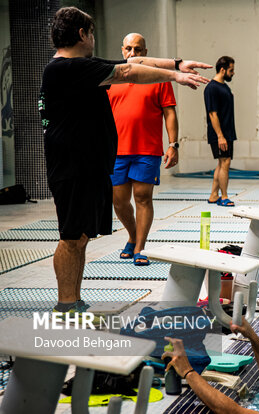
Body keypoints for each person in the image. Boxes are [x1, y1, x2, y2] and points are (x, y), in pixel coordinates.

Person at [39, 6, 210, 314]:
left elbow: (134, 62)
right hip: (72, 169)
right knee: (71, 237)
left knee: (79, 237)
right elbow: (129, 70)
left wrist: (177, 62)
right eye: (91, 33)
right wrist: (174, 75)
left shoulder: (79, 67)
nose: (93, 38)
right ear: (82, 34)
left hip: (85, 168)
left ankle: (73, 301)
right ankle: (66, 305)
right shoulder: (66, 68)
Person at [108, 33, 179, 266]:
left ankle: (139, 247)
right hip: (116, 150)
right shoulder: (112, 77)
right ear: (122, 50)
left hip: (147, 150)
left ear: (145, 52)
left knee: (143, 198)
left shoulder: (158, 78)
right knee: (118, 201)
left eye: (138, 49)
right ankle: (132, 235)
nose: (133, 53)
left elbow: (169, 112)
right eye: (128, 48)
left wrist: (173, 144)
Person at [204, 56, 236, 207]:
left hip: (227, 132)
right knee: (225, 162)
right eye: (231, 70)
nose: (233, 73)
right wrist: (220, 136)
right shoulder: (212, 88)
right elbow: (212, 113)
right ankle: (224, 196)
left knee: (222, 163)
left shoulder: (223, 86)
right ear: (222, 70)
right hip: (219, 134)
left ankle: (213, 195)